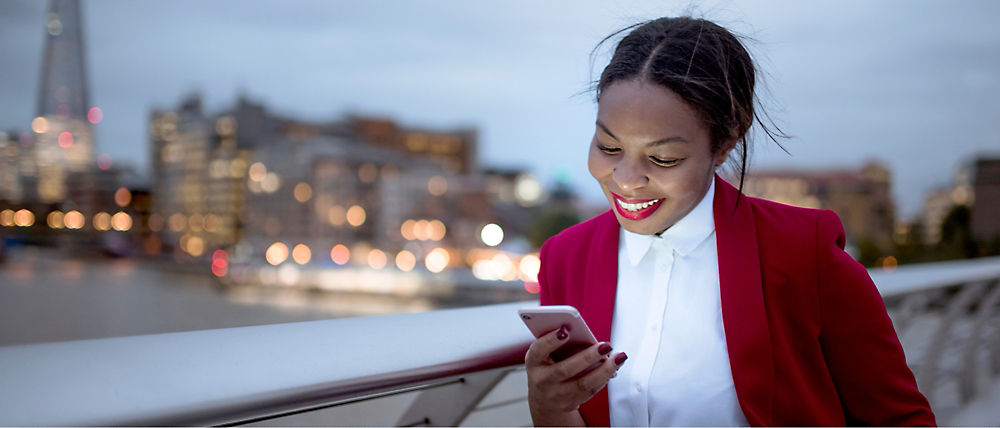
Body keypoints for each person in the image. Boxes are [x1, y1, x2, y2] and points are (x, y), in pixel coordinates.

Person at [525, 17, 936, 427]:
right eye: (608, 146)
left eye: (663, 158)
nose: (627, 179)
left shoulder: (802, 252)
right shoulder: (565, 256)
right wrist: (550, 407)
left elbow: (901, 419)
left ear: (725, 142)